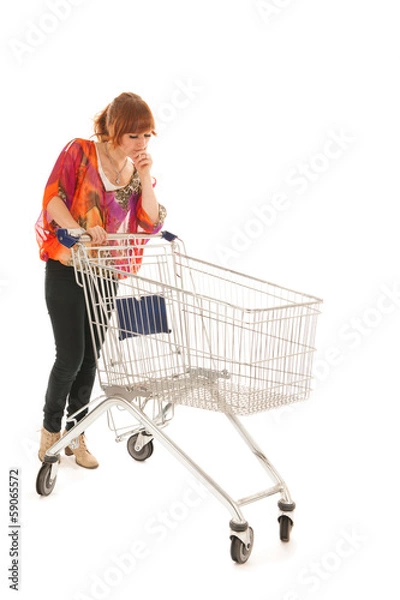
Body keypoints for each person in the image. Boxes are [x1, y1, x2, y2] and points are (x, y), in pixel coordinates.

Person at [35, 92, 166, 468]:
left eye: (147, 136)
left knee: (91, 359)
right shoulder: (80, 152)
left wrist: (143, 174)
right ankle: (50, 432)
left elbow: (152, 221)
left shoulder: (133, 174)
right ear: (114, 131)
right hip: (67, 267)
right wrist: (78, 230)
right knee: (70, 357)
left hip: (106, 273)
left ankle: (78, 436)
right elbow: (53, 200)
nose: (141, 144)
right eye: (134, 136)